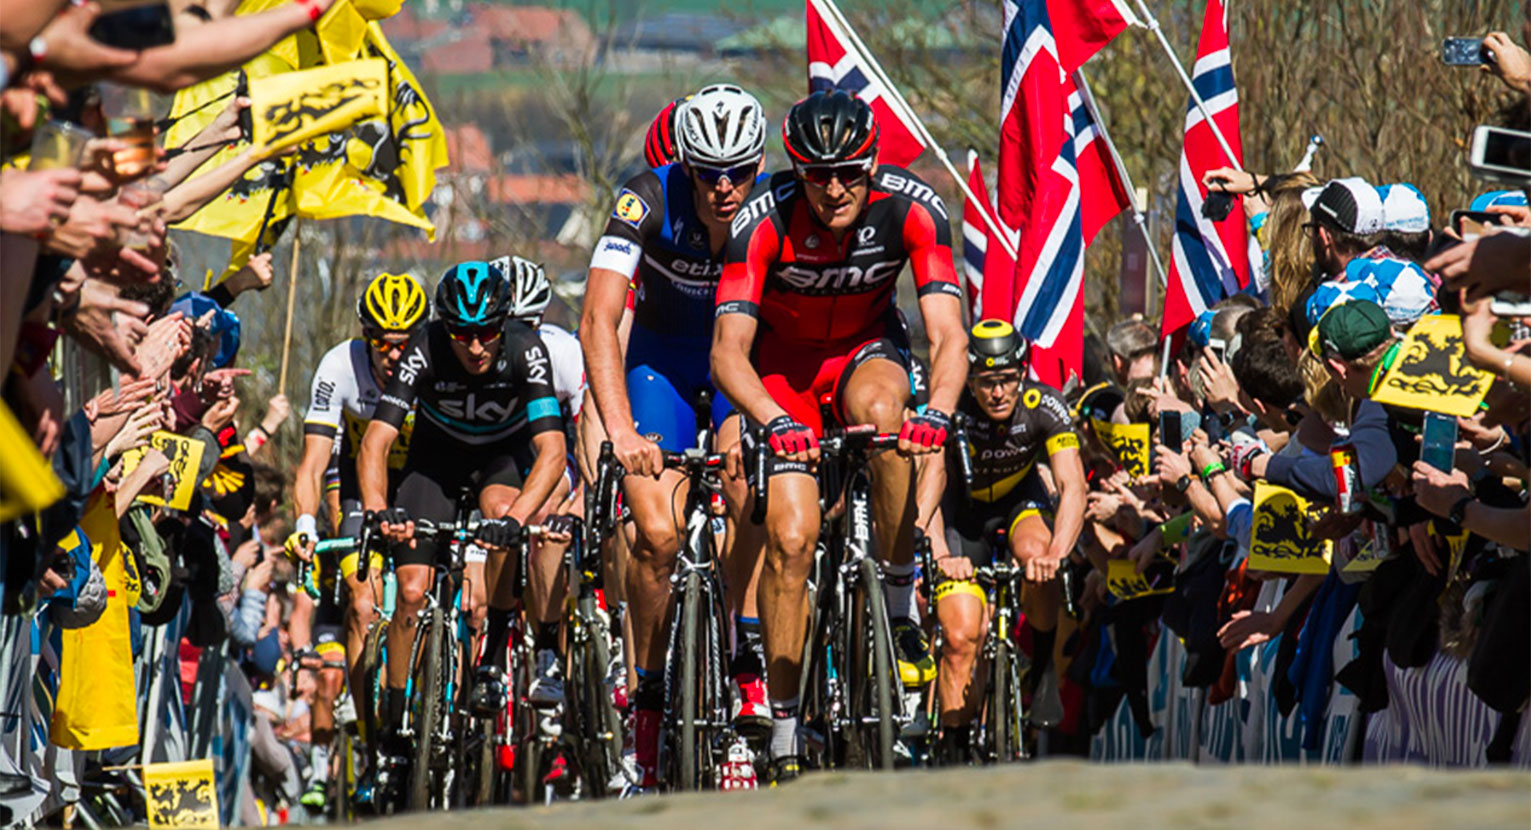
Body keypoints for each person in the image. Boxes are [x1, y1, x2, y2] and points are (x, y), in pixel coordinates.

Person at [711, 89, 968, 779]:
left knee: (887, 415)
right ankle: (784, 727)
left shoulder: (913, 208)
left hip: (865, 351)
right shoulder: (761, 219)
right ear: (795, 170)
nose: (833, 189)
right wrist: (773, 420)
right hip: (782, 371)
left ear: (873, 162)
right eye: (817, 174)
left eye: (849, 172)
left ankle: (897, 601)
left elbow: (949, 335)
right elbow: (728, 352)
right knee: (792, 541)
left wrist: (938, 415)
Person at [578, 82, 769, 789]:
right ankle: (651, 701)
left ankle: (746, 662)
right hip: (659, 366)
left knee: (749, 490)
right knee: (656, 536)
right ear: (684, 164)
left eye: (739, 172)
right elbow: (597, 320)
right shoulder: (644, 199)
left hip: (737, 366)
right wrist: (621, 430)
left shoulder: (772, 207)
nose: (724, 188)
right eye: (708, 173)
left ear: (758, 165)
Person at [357, 261, 566, 743]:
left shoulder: (527, 349)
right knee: (411, 591)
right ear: (444, 327)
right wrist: (376, 509)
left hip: (501, 458)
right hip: (436, 462)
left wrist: (517, 520)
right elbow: (376, 442)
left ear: (504, 324)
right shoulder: (424, 347)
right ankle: (395, 717)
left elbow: (553, 450)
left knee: (503, 518)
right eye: (462, 334)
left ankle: (492, 657)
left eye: (487, 333)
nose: (475, 347)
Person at [283, 272, 427, 808]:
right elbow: (313, 463)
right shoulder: (339, 366)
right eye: (383, 344)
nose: (394, 355)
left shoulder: (433, 361)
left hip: (421, 479)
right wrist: (304, 522)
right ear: (366, 338)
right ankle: (373, 744)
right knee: (363, 607)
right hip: (356, 483)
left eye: (404, 343)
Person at [921, 320, 1087, 761]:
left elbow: (1073, 485)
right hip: (959, 513)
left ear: (1022, 373)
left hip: (1019, 502)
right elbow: (929, 485)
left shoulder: (1044, 404)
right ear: (969, 379)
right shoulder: (948, 405)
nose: (998, 393)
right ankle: (955, 744)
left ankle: (1044, 667)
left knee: (1037, 555)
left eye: (1008, 380)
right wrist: (939, 553)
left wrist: (1058, 554)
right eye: (986, 382)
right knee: (961, 636)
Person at [497, 253, 584, 708]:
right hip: (499, 460)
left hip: (552, 457)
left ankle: (548, 649)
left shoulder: (562, 352)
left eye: (526, 325)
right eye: (505, 326)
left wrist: (583, 496)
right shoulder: (472, 353)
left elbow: (589, 432)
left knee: (547, 518)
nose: (516, 338)